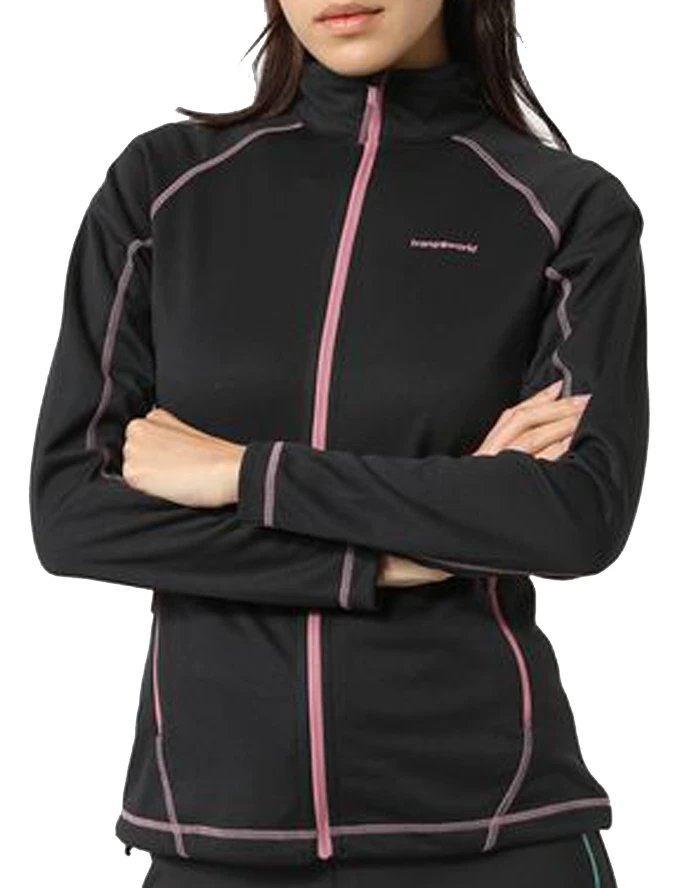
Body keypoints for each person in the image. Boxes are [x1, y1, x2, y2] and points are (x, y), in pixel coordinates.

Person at [29, 0, 647, 885]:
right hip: (215, 836)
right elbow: (73, 515)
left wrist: (241, 473)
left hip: (492, 830)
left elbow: (572, 516)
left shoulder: (563, 207)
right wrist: (377, 563)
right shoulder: (164, 186)